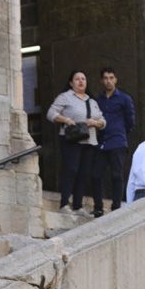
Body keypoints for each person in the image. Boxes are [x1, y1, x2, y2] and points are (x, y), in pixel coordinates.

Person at [47, 69, 106, 213]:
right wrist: (66, 119)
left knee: (83, 173)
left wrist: (95, 123)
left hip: (90, 141)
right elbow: (51, 113)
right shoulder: (65, 97)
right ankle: (64, 204)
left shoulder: (92, 101)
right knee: (71, 170)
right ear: (71, 83)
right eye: (77, 79)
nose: (81, 81)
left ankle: (78, 205)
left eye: (83, 79)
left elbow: (103, 121)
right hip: (71, 139)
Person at [92, 67, 136, 217]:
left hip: (117, 141)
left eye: (111, 77)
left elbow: (130, 121)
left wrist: (120, 132)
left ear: (116, 79)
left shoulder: (124, 98)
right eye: (105, 78)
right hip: (102, 142)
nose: (108, 81)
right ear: (101, 81)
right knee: (96, 174)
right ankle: (98, 207)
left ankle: (116, 207)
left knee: (117, 175)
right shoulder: (98, 100)